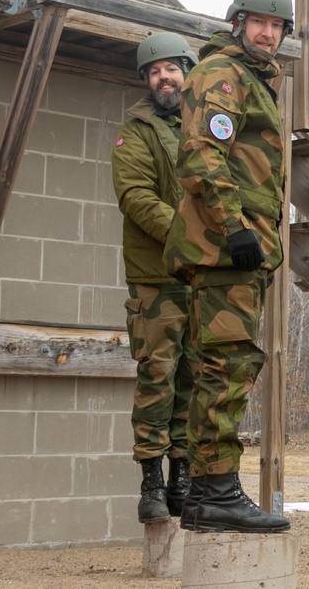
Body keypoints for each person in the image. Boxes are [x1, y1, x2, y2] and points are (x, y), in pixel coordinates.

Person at [164, 0, 294, 533]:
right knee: (228, 366)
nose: (268, 33)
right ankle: (216, 491)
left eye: (277, 25)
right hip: (224, 249)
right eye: (259, 22)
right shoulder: (224, 73)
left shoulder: (255, 81)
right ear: (238, 22)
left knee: (216, 366)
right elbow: (201, 153)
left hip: (236, 249)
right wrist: (237, 228)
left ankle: (200, 496)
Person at [112, 31, 198, 524]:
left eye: (171, 68)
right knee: (157, 374)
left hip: (200, 278)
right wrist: (191, 238)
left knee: (192, 376)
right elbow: (135, 196)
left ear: (186, 72)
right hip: (157, 276)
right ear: (147, 79)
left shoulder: (206, 127)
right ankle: (151, 480)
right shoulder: (135, 130)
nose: (163, 77)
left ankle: (181, 475)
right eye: (154, 71)